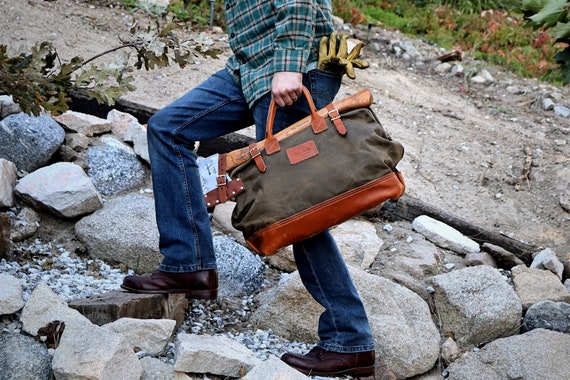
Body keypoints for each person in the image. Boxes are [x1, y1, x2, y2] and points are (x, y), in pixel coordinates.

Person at [121, 0, 382, 377]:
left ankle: (350, 338)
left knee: (295, 207)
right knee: (167, 127)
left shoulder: (292, 63)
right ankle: (188, 264)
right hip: (249, 68)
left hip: (292, 66)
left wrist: (290, 64)